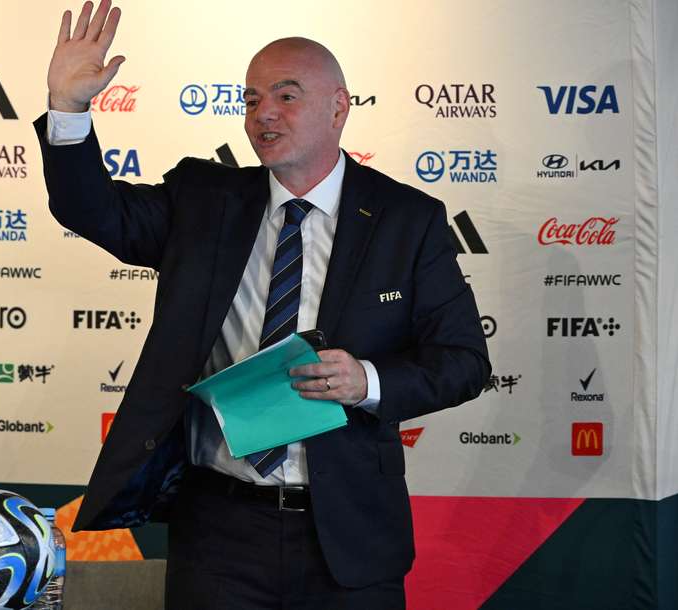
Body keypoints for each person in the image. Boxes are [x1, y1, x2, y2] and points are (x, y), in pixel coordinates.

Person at [35, 2, 491, 608]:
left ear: (339, 106)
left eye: (286, 95)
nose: (264, 114)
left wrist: (368, 382)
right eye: (251, 100)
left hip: (348, 534)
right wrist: (68, 108)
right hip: (219, 533)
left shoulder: (409, 221)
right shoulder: (202, 198)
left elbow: (464, 362)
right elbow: (92, 211)